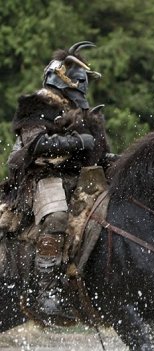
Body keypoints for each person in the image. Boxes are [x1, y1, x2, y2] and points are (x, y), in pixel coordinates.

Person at [1, 41, 109, 321]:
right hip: (40, 178)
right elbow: (34, 144)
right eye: (79, 81)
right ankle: (46, 292)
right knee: (57, 218)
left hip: (78, 179)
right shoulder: (38, 105)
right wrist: (76, 141)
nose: (83, 87)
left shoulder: (82, 113)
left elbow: (94, 154)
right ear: (64, 80)